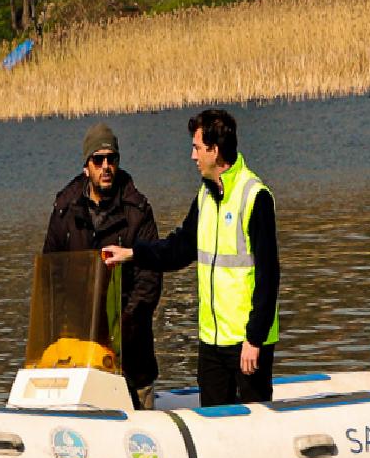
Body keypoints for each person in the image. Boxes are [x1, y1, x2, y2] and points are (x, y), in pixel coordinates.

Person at [101, 108, 279, 406]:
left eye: (197, 148)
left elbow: (268, 276)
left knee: (252, 431)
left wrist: (255, 338)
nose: (193, 156)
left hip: (246, 343)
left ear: (215, 150)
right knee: (213, 428)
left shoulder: (255, 196)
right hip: (211, 342)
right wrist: (133, 254)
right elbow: (180, 248)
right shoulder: (205, 196)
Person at [44, 122, 162, 408]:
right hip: (79, 347)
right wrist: (64, 326)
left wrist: (124, 325)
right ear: (87, 166)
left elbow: (150, 280)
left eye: (112, 160)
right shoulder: (64, 210)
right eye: (99, 160)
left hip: (130, 349)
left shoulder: (138, 211)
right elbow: (51, 275)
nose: (106, 166)